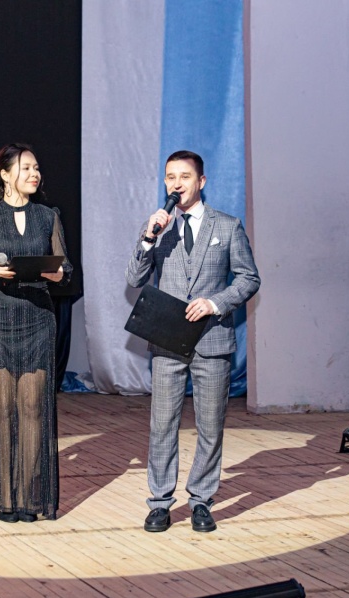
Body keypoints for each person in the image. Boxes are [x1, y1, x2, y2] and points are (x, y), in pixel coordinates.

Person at [125, 150, 260, 533]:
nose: (176, 184)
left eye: (184, 176)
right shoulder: (158, 227)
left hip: (212, 340)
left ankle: (201, 500)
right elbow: (134, 278)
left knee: (210, 426)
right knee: (162, 425)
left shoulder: (228, 226)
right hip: (167, 340)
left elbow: (249, 278)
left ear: (201, 182)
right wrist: (148, 238)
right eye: (170, 177)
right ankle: (159, 503)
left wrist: (215, 303)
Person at [0, 143, 72, 523]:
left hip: (37, 318)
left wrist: (58, 273)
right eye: (26, 168)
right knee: (0, 411)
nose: (34, 174)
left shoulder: (48, 217)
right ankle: (5, 499)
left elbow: (66, 270)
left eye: (36, 168)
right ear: (5, 175)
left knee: (32, 409)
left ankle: (27, 499)